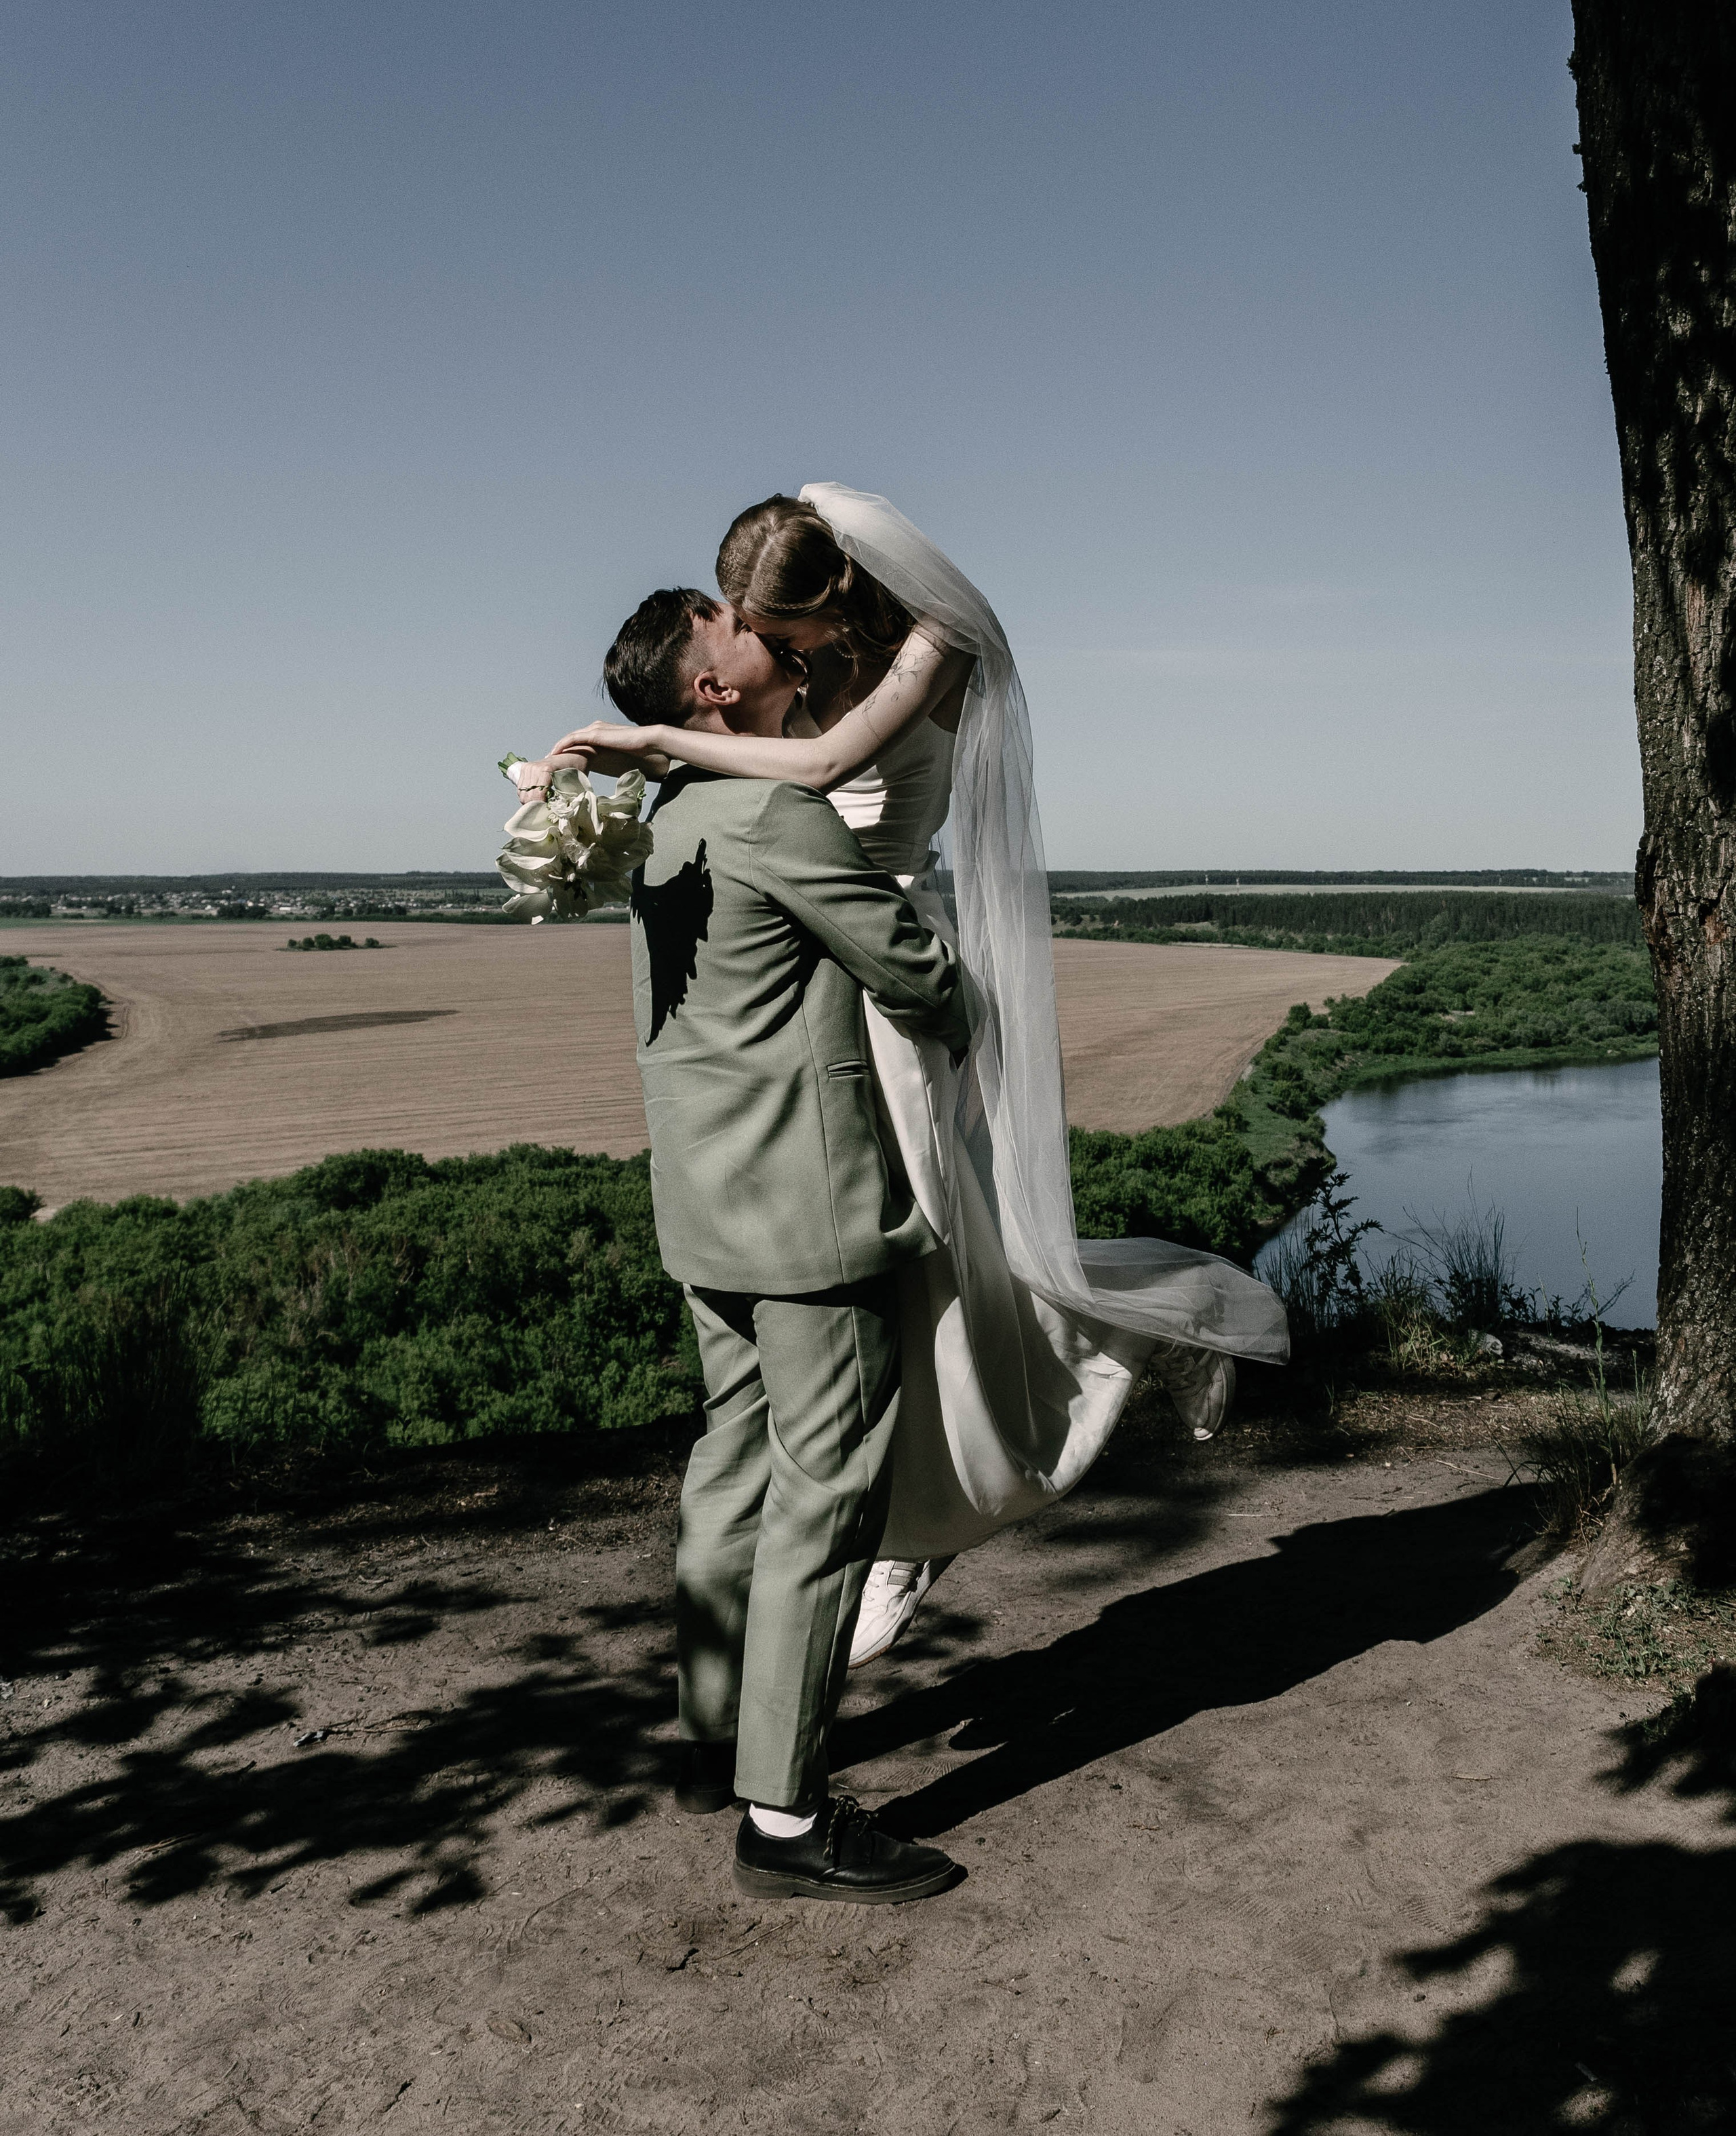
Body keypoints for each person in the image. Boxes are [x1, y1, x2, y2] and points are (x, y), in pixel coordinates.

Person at [540, 486, 1289, 1667]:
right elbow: (754, 776)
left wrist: (645, 744)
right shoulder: (793, 658)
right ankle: (906, 1517)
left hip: (890, 981)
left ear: (828, 595)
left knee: (937, 1262)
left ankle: (934, 1507)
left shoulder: (932, 648)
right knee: (916, 1278)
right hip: (817, 978)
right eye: (750, 633)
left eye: (774, 630)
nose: (768, 650)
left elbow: (820, 770)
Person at [603, 584, 972, 1905]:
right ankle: (785, 1820)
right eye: (733, 627)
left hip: (703, 1207)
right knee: (824, 1503)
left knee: (729, 1468)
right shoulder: (772, 810)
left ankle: (716, 1737)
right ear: (710, 691)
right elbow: (915, 979)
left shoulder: (671, 818)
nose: (757, 626)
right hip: (807, 1216)